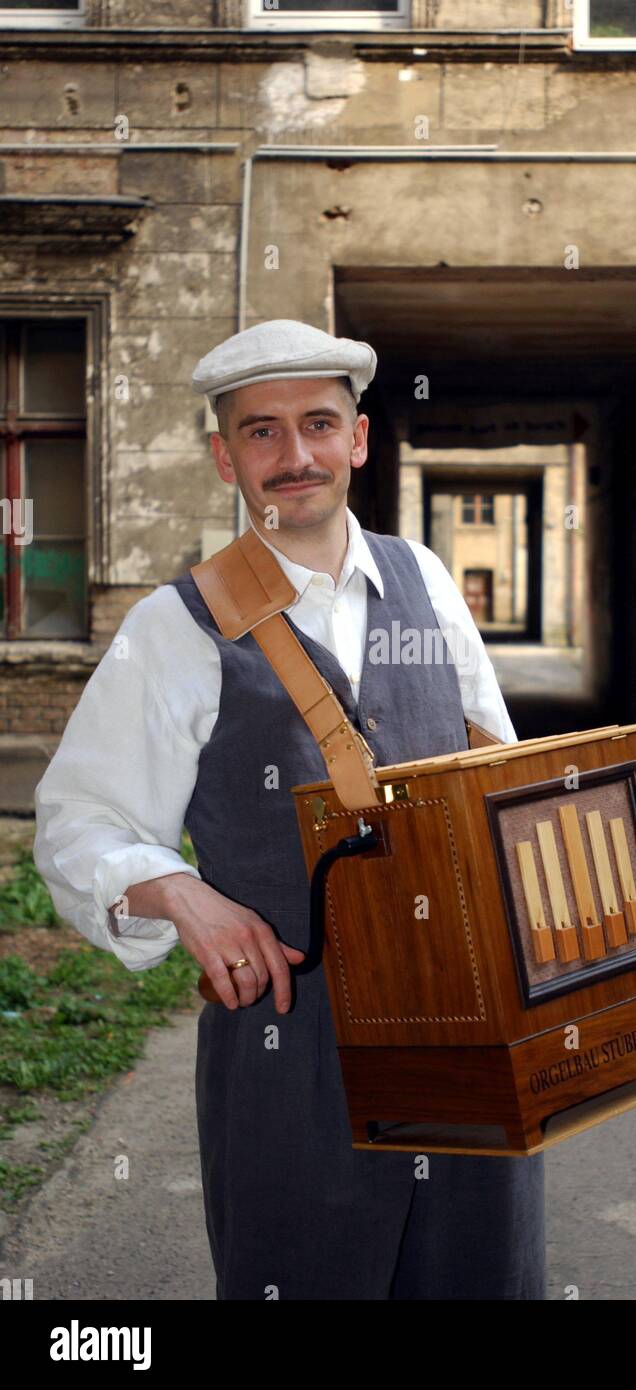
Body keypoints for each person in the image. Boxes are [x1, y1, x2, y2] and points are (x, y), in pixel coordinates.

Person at [33, 319, 547, 1301]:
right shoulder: (173, 627)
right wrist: (182, 893)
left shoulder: (426, 581)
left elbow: (495, 764)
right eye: (260, 432)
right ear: (226, 456)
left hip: (465, 1027)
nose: (295, 455)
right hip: (288, 1044)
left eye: (318, 423)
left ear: (357, 440)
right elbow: (77, 821)